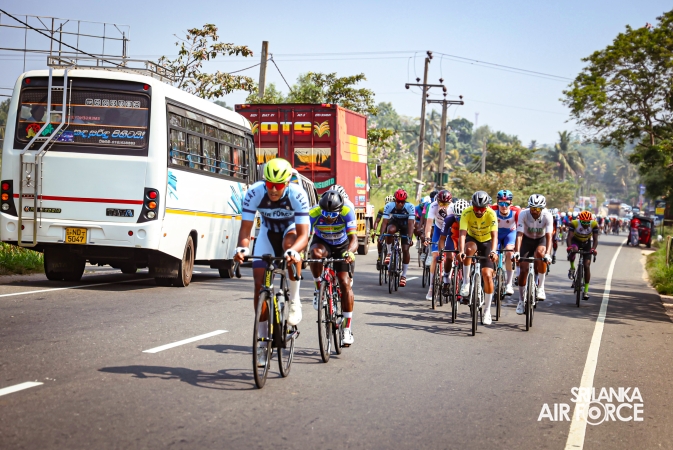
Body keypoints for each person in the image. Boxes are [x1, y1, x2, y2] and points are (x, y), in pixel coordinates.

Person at [234, 158, 310, 366]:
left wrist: (294, 251)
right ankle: (262, 343)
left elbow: (304, 235)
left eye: (278, 185)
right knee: (259, 284)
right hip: (267, 233)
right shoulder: (255, 192)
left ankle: (294, 299)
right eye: (269, 184)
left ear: (287, 182)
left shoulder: (297, 194)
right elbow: (245, 230)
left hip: (291, 232)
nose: (273, 190)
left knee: (289, 245)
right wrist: (242, 249)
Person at [309, 189, 358, 345]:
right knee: (314, 254)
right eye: (325, 214)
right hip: (322, 243)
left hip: (342, 246)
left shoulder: (347, 211)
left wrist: (350, 252)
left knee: (344, 283)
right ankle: (318, 288)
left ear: (340, 210)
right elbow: (304, 235)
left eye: (333, 214)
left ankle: (347, 329)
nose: (329, 218)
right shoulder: (313, 213)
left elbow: (354, 239)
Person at [457, 191, 499, 325]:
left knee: (487, 275)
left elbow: (495, 236)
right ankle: (466, 282)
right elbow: (462, 234)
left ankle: (487, 311)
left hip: (487, 242)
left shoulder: (491, 214)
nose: (479, 211)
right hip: (473, 239)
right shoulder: (466, 213)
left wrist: (493, 251)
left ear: (487, 207)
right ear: (472, 206)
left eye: (482, 209)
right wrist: (461, 251)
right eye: (476, 208)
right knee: (468, 250)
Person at [512, 194, 554, 314]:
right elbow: (519, 235)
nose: (535, 211)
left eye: (537, 209)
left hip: (540, 240)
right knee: (523, 271)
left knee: (541, 254)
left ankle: (541, 287)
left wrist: (548, 254)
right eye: (532, 208)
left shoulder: (547, 216)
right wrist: (517, 252)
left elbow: (549, 237)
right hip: (526, 240)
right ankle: (521, 301)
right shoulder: (523, 214)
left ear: (542, 208)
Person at [379, 189, 415, 287]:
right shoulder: (389, 206)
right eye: (398, 201)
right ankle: (389, 252)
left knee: (405, 249)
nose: (400, 204)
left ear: (405, 201)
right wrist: (381, 235)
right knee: (390, 230)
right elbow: (384, 222)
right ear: (395, 200)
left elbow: (411, 224)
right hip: (395, 223)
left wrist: (410, 238)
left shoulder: (410, 207)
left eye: (402, 202)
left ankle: (404, 275)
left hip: (405, 225)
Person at [423, 189, 453, 300]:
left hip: (449, 231)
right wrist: (427, 237)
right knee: (435, 257)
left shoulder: (452, 208)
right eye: (441, 203)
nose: (443, 206)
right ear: (437, 201)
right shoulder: (433, 206)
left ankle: (448, 277)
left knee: (450, 256)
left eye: (446, 204)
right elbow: (429, 224)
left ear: (450, 202)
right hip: (438, 230)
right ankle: (431, 287)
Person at [490, 189, 520, 296]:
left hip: (510, 234)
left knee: (509, 252)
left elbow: (520, 230)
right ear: (497, 202)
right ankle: (494, 274)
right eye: (501, 203)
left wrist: (517, 248)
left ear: (511, 203)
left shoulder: (516, 212)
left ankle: (509, 284)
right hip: (496, 234)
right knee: (494, 254)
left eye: (506, 203)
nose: (504, 206)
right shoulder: (491, 210)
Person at [441, 198, 470, 300]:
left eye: (462, 217)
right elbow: (442, 239)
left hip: (466, 239)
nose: (459, 220)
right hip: (453, 238)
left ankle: (466, 283)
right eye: (457, 217)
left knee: (466, 259)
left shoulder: (471, 219)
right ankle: (446, 279)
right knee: (449, 258)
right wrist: (441, 253)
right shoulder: (449, 219)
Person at [567, 210, 599, 300]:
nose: (585, 224)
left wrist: (593, 249)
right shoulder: (574, 223)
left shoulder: (594, 224)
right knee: (574, 250)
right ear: (580, 220)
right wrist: (569, 247)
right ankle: (572, 268)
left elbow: (595, 239)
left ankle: (586, 291)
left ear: (590, 221)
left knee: (587, 266)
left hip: (586, 243)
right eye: (583, 222)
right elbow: (569, 237)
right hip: (576, 241)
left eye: (587, 222)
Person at [373, 195, 395, 269]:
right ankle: (380, 256)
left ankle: (394, 256)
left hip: (393, 227)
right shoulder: (382, 209)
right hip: (385, 227)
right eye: (387, 204)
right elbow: (377, 221)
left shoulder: (396, 210)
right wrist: (374, 231)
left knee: (394, 240)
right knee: (380, 240)